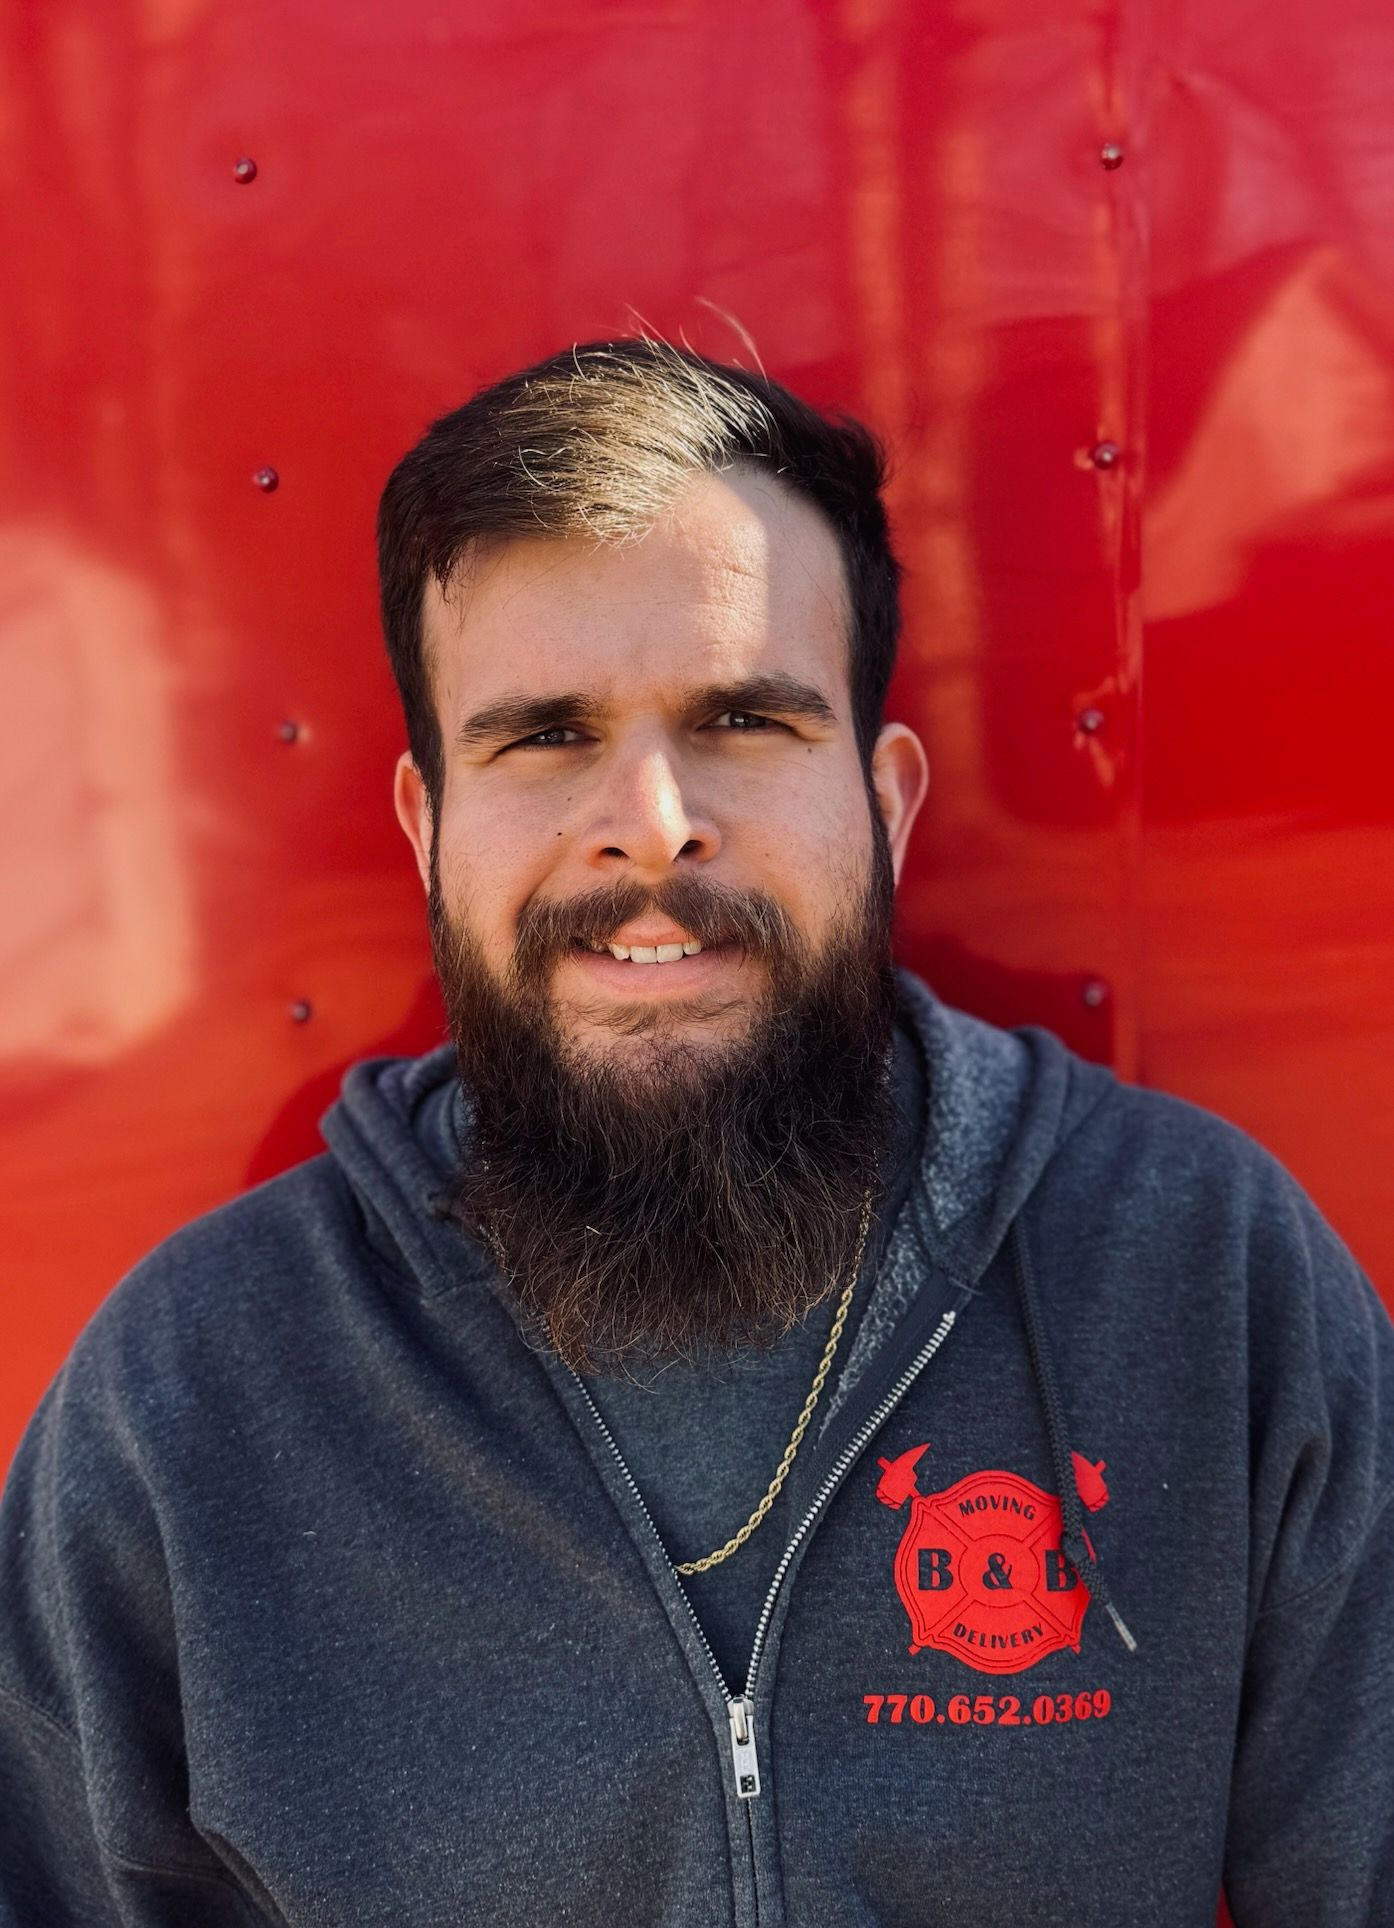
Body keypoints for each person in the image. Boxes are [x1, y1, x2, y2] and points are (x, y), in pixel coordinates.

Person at [1, 339, 1391, 1928]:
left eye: (741, 718)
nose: (653, 822)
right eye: (543, 735)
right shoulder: (190, 1399)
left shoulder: (1198, 1279)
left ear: (886, 799)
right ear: (425, 828)